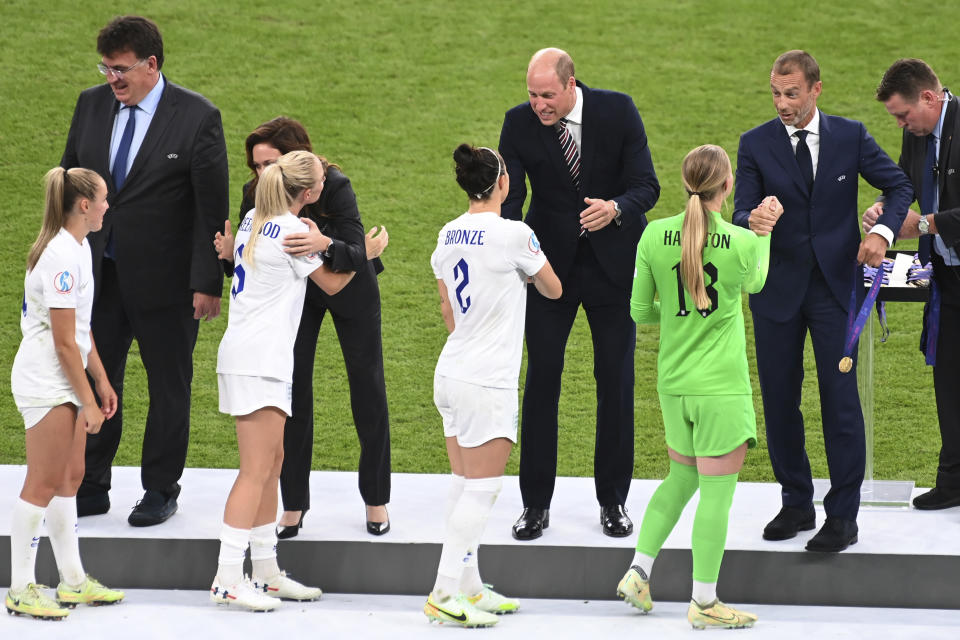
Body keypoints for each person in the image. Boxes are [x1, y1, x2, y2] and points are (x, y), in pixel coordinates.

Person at [733, 50, 913, 552]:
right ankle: (795, 504)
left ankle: (843, 515)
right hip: (776, 293)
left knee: (840, 404)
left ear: (816, 89)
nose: (782, 103)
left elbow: (899, 184)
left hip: (836, 291)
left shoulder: (850, 136)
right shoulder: (755, 144)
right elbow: (741, 206)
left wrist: (880, 230)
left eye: (791, 93)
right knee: (780, 402)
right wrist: (753, 220)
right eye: (775, 93)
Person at [61, 15, 229, 526]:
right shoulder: (92, 104)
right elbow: (68, 182)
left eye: (121, 70)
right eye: (107, 68)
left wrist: (207, 282)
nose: (112, 79)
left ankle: (160, 489)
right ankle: (92, 483)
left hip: (169, 283)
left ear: (151, 65)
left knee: (168, 385)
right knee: (96, 376)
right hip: (98, 277)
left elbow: (210, 206)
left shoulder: (198, 116)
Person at [499, 47, 660, 540]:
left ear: (572, 85)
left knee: (615, 383)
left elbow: (646, 186)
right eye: (532, 94)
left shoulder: (618, 110)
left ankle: (613, 501)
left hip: (613, 270)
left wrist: (615, 208)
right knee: (542, 382)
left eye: (547, 95)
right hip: (550, 273)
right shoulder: (519, 123)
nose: (539, 105)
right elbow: (511, 201)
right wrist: (519, 253)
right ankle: (535, 505)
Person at [617, 144, 774, 629]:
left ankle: (639, 571)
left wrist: (676, 313)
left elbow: (639, 312)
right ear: (726, 188)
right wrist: (763, 235)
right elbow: (758, 285)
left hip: (673, 384)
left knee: (681, 478)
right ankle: (704, 602)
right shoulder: (742, 242)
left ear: (685, 183)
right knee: (716, 493)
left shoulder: (652, 235)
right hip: (720, 388)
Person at [226, 117, 391, 538]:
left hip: (349, 290)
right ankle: (293, 505)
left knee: (367, 389)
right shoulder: (257, 194)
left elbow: (350, 249)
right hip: (297, 295)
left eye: (270, 162)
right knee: (292, 394)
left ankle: (376, 499)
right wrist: (227, 256)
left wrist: (328, 246)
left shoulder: (334, 184)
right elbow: (252, 257)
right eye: (256, 165)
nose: (262, 174)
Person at [424, 144, 562, 627]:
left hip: (452, 370)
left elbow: (447, 312)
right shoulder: (514, 234)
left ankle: (470, 587)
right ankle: (443, 590)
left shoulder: (447, 233)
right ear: (502, 183)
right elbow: (554, 287)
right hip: (487, 380)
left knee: (463, 484)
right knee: (483, 490)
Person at [210, 150, 353, 611]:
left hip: (254, 355)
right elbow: (332, 284)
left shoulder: (254, 216)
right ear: (309, 195)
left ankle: (267, 571)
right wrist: (357, 251)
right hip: (260, 360)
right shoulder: (293, 230)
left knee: (273, 463)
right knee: (256, 470)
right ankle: (228, 577)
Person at [7, 167, 125, 620]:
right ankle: (21, 587)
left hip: (66, 376)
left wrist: (100, 379)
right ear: (83, 205)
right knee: (42, 482)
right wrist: (89, 400)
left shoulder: (78, 247)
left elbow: (79, 327)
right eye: (103, 199)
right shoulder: (60, 255)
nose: (106, 206)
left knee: (70, 477)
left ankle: (72, 581)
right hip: (46, 379)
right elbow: (60, 340)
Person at [866, 59, 960, 510]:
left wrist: (922, 223)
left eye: (904, 115)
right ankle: (953, 483)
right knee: (950, 382)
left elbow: (924, 218)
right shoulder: (917, 132)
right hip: (947, 279)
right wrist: (883, 210)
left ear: (930, 97)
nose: (902, 125)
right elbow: (903, 182)